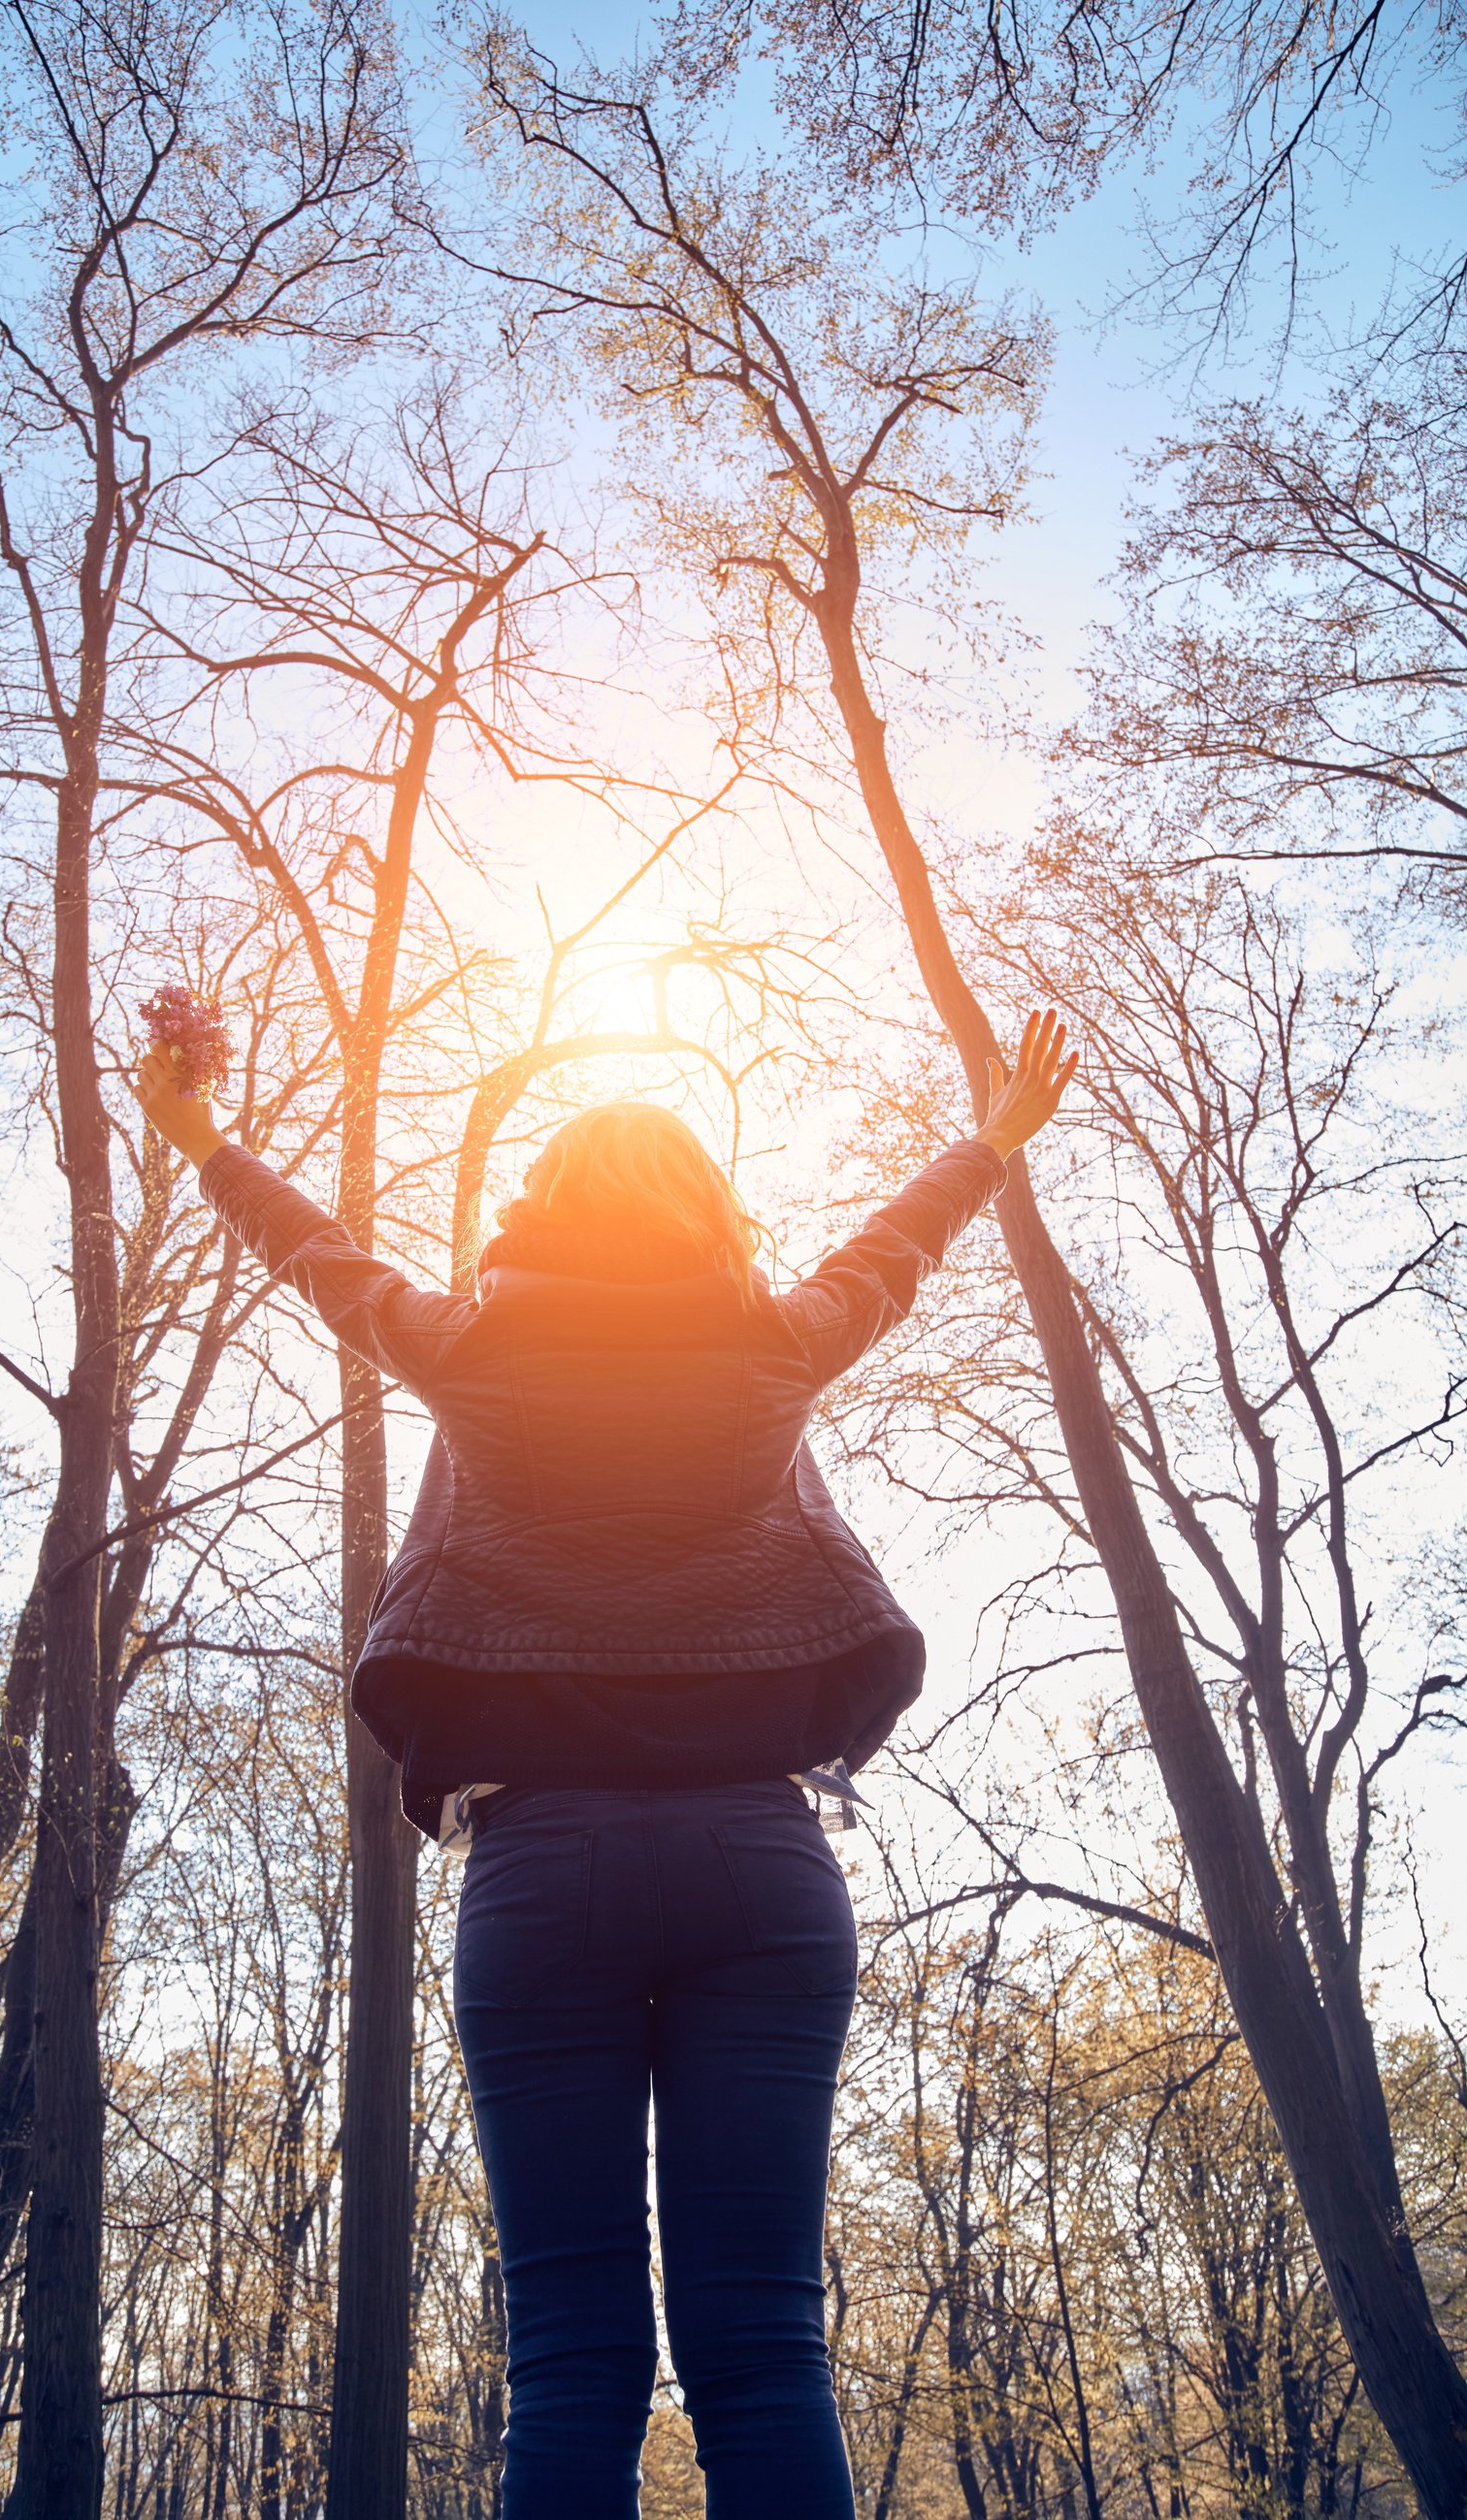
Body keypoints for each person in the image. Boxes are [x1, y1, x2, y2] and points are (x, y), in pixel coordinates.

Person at [134, 1011, 1077, 2520]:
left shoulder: (478, 1344)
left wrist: (204, 1145)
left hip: (541, 1872)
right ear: (709, 1211)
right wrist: (989, 1136)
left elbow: (325, 1263)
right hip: (761, 1867)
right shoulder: (771, 1343)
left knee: (573, 2356)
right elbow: (890, 1255)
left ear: (542, 1207)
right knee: (765, 2348)